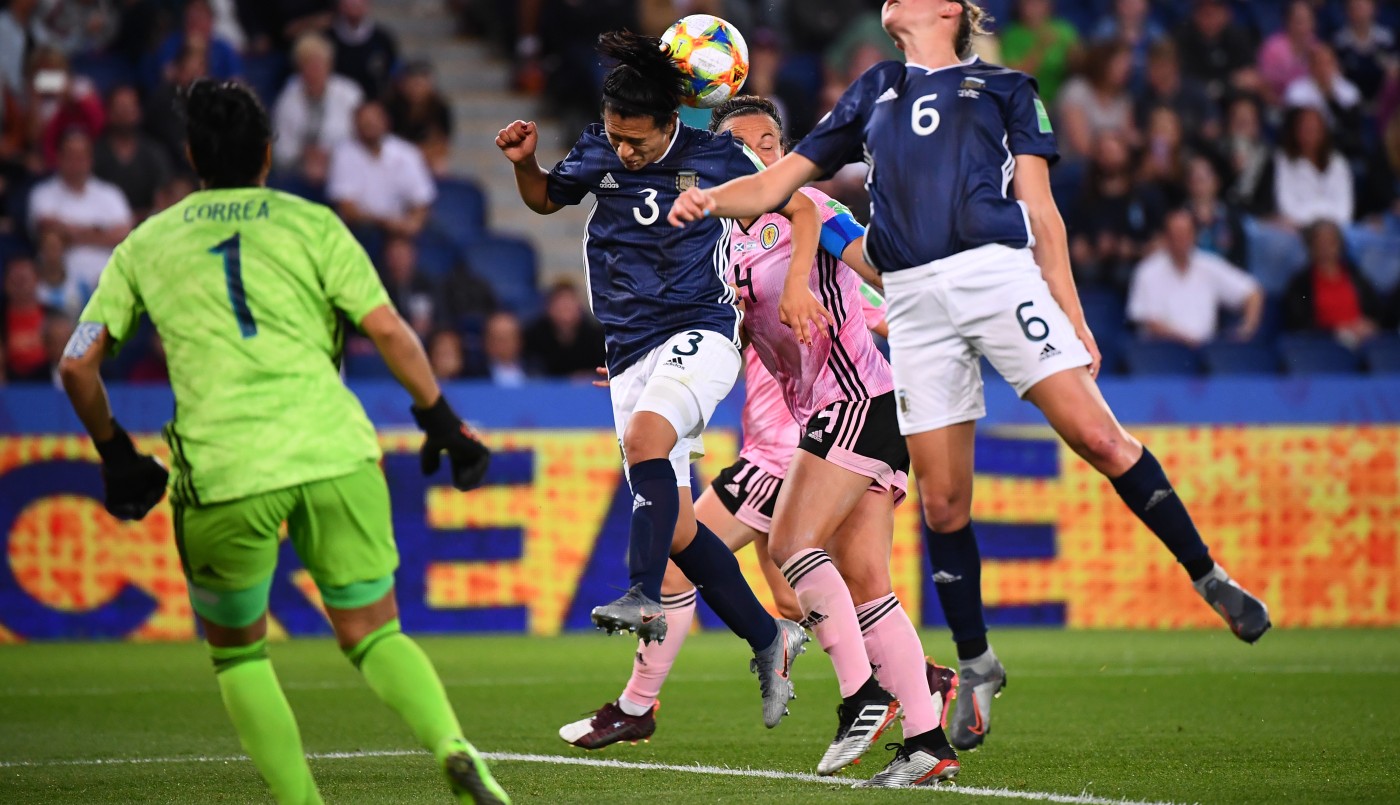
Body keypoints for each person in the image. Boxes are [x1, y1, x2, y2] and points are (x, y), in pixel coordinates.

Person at [670, 0, 1272, 755]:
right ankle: (975, 665)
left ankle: (1209, 573)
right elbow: (780, 184)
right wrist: (707, 199)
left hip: (995, 277)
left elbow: (1043, 213)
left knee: (1097, 435)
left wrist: (1073, 313)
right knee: (944, 503)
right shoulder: (873, 90)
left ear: (949, 10)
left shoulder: (1008, 90)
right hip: (918, 299)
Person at [56, 79, 508, 805]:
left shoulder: (146, 242)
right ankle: (454, 746)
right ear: (269, 153)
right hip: (333, 449)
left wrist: (115, 454)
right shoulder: (313, 223)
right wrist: (443, 422)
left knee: (239, 655)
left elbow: (76, 363)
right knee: (373, 633)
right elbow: (389, 328)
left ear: (192, 155)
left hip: (224, 468)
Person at [558, 97, 960, 789]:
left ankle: (862, 694)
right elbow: (729, 326)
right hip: (828, 418)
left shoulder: (808, 207)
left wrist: (932, 313)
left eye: (770, 141)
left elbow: (869, 267)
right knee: (866, 584)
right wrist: (645, 358)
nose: (760, 153)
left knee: (789, 548)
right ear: (719, 160)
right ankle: (927, 740)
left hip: (858, 402)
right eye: (742, 143)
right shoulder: (725, 243)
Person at [495, 31, 814, 727]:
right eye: (616, 137)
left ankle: (641, 596)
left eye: (636, 142)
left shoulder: (717, 157)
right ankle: (769, 638)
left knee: (646, 440)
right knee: (676, 529)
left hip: (701, 330)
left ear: (672, 123)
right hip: (630, 349)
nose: (625, 151)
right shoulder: (596, 147)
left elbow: (799, 206)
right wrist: (527, 165)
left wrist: (796, 285)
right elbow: (548, 199)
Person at [1127, 209, 1262, 348]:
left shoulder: (1209, 265)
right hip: (1160, 353)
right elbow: (1150, 322)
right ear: (1166, 237)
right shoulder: (1147, 271)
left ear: (1194, 235)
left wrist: (1247, 329)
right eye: (1176, 235)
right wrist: (1188, 342)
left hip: (1204, 357)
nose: (1181, 240)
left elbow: (1252, 292)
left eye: (1185, 234)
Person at [28, 129, 133, 302]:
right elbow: (47, 229)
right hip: (59, 287)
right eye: (70, 156)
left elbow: (124, 235)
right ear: (59, 157)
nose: (76, 162)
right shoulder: (42, 193)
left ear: (90, 159)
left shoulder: (110, 194)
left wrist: (68, 232)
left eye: (81, 156)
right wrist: (99, 231)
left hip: (106, 283)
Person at [329, 99, 435, 240]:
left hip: (402, 229)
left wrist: (414, 223)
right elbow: (348, 210)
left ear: (386, 122)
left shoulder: (406, 152)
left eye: (374, 120)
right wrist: (386, 222)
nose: (370, 126)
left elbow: (422, 199)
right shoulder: (344, 154)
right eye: (365, 122)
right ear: (355, 125)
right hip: (362, 229)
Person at [272, 33, 363, 185]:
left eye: (319, 63)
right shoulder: (287, 98)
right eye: (308, 64)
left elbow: (360, 138)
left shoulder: (350, 94)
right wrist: (304, 154)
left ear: (329, 65)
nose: (314, 69)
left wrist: (331, 155)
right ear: (299, 68)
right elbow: (280, 148)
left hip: (342, 167)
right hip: (299, 171)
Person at [1282, 219, 1390, 347]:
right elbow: (1298, 323)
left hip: (1363, 342)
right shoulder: (1301, 283)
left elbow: (1376, 311)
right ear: (1310, 246)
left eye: (1331, 242)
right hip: (1324, 345)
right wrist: (1336, 330)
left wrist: (1370, 324)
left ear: (1340, 245)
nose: (1326, 248)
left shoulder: (1354, 274)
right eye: (1320, 243)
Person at [93, 85, 174, 220]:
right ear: (109, 112)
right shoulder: (96, 153)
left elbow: (163, 197)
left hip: (147, 225)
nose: (125, 112)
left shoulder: (154, 153)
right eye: (120, 107)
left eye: (130, 106)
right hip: (103, 225)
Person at [1274, 105, 1354, 229]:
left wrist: (1328, 226)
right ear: (1295, 131)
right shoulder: (1283, 160)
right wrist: (1315, 224)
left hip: (1336, 230)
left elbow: (1345, 207)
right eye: (1305, 129)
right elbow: (1285, 205)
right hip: (1299, 228)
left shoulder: (1338, 162)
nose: (1310, 133)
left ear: (1323, 131)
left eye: (1314, 129)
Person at [523, 280, 604, 379]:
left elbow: (604, 370)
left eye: (569, 305)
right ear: (549, 308)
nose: (565, 312)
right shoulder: (533, 336)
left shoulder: (596, 336)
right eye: (560, 306)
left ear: (579, 307)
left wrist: (589, 375)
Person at [330, 0, 399, 101]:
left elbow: (392, 74)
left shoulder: (383, 39)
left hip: (374, 103)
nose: (354, 4)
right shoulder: (328, 39)